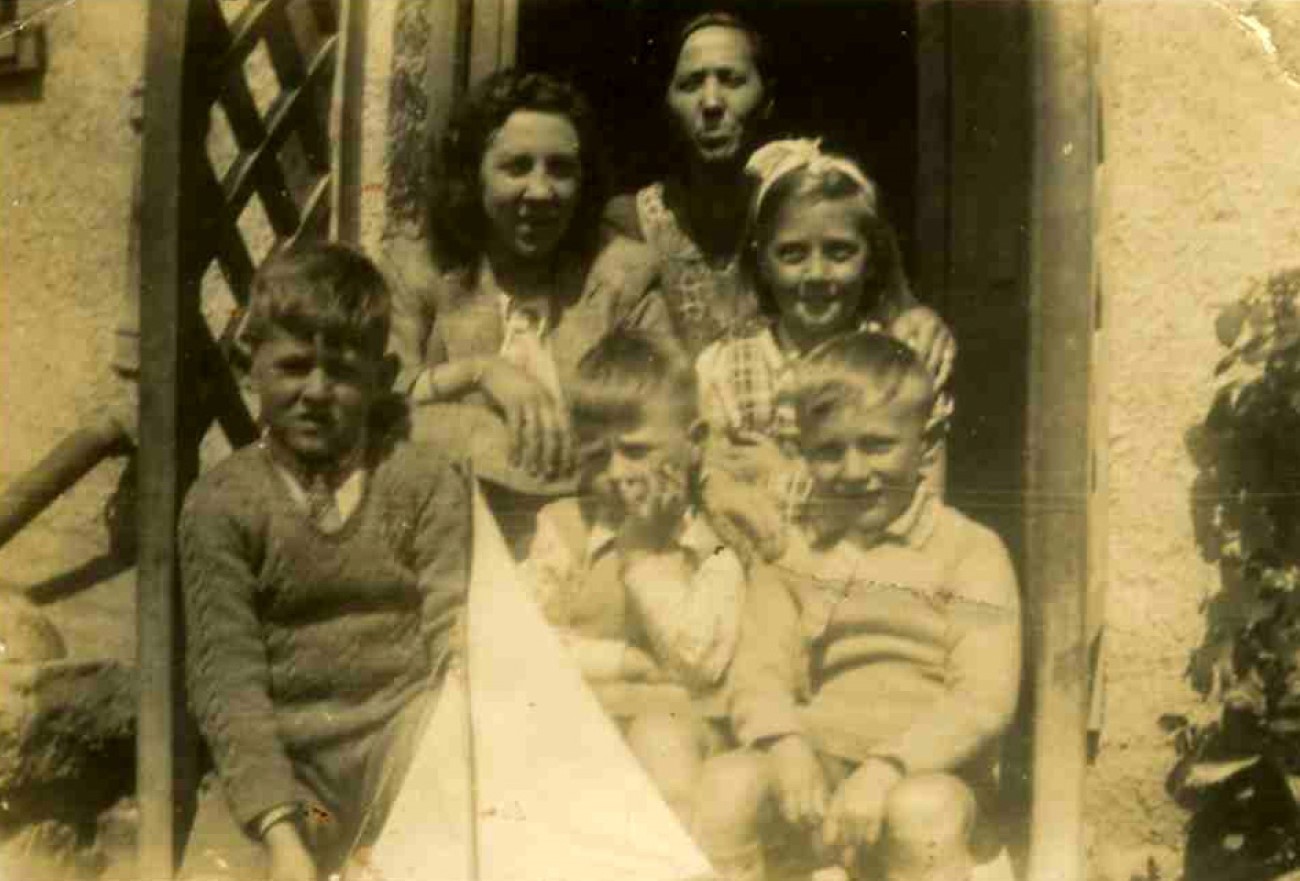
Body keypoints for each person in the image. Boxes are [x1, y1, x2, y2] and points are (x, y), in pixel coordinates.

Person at [177, 242, 471, 881]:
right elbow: (227, 683)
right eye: (292, 366)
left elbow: (457, 642)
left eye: (340, 371)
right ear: (250, 366)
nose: (315, 391)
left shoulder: (422, 483)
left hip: (404, 756)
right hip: (287, 773)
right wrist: (282, 837)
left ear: (382, 376)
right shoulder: (222, 505)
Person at [692, 330, 1020, 881]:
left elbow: (983, 698)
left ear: (928, 443)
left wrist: (888, 768)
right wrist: (786, 744)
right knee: (727, 787)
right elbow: (759, 672)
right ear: (801, 454)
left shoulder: (969, 551)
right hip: (819, 767)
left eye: (877, 445)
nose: (852, 471)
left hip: (931, 775)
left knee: (922, 813)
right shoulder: (794, 551)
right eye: (829, 450)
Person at [390, 69, 671, 556]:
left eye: (561, 168)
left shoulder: (623, 274)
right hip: (439, 536)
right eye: (517, 166)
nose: (540, 192)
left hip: (589, 537)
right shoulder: (420, 269)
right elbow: (375, 404)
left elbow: (659, 417)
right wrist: (479, 372)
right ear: (473, 175)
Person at [519, 328, 749, 826]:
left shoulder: (716, 543)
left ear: (693, 445)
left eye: (637, 450)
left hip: (683, 729)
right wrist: (619, 659)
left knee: (660, 741)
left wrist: (641, 547)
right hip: (585, 719)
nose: (618, 472)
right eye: (597, 456)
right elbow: (527, 641)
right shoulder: (566, 528)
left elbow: (698, 663)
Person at [696, 139, 954, 565]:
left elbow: (924, 508)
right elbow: (713, 493)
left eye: (839, 252)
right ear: (761, 260)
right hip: (754, 576)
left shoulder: (902, 364)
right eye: (792, 254)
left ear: (870, 258)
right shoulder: (723, 368)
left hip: (877, 575)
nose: (816, 274)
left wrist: (783, 476)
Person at [604, 11, 771, 357]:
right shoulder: (629, 222)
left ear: (768, 99)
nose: (711, 102)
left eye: (732, 79)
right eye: (691, 83)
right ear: (667, 104)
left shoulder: (798, 208)